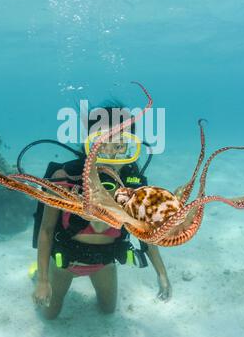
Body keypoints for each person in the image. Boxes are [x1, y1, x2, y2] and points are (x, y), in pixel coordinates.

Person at [32, 106, 172, 319]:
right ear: (90, 142)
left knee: (108, 310)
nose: (111, 154)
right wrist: (43, 280)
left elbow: (147, 233)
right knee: (49, 314)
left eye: (119, 145)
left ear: (128, 144)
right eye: (102, 144)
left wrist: (161, 272)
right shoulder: (65, 177)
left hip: (104, 263)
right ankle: (38, 272)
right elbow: (46, 230)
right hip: (66, 262)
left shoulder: (134, 184)